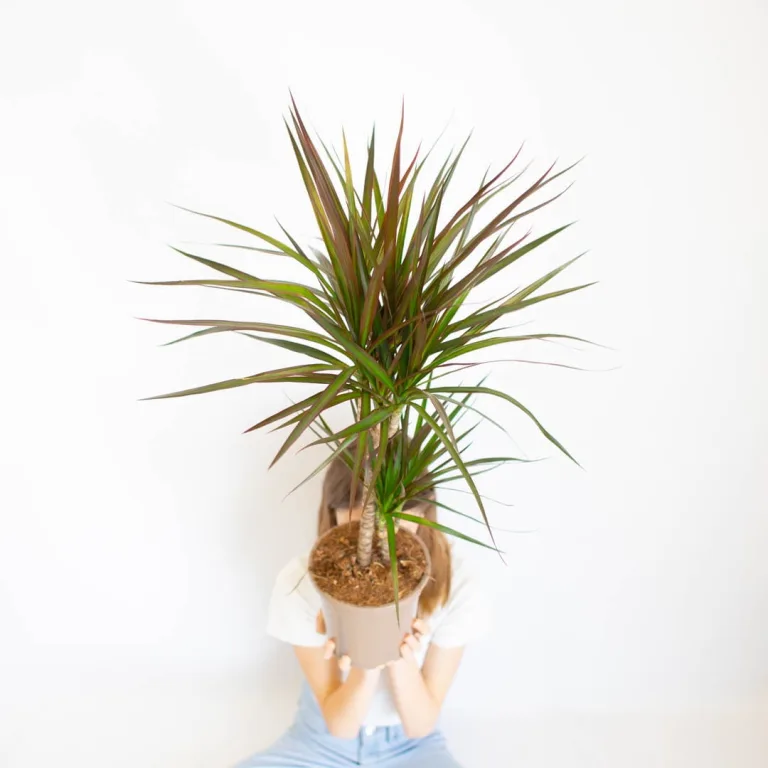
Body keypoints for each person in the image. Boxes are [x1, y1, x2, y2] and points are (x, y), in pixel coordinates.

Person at [232, 442, 492, 768]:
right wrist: (361, 644)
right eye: (361, 528)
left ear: (423, 512)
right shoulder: (299, 582)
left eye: (396, 527)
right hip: (319, 738)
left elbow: (420, 724)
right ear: (334, 512)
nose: (378, 540)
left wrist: (396, 646)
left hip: (411, 746)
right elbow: (339, 725)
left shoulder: (458, 580)